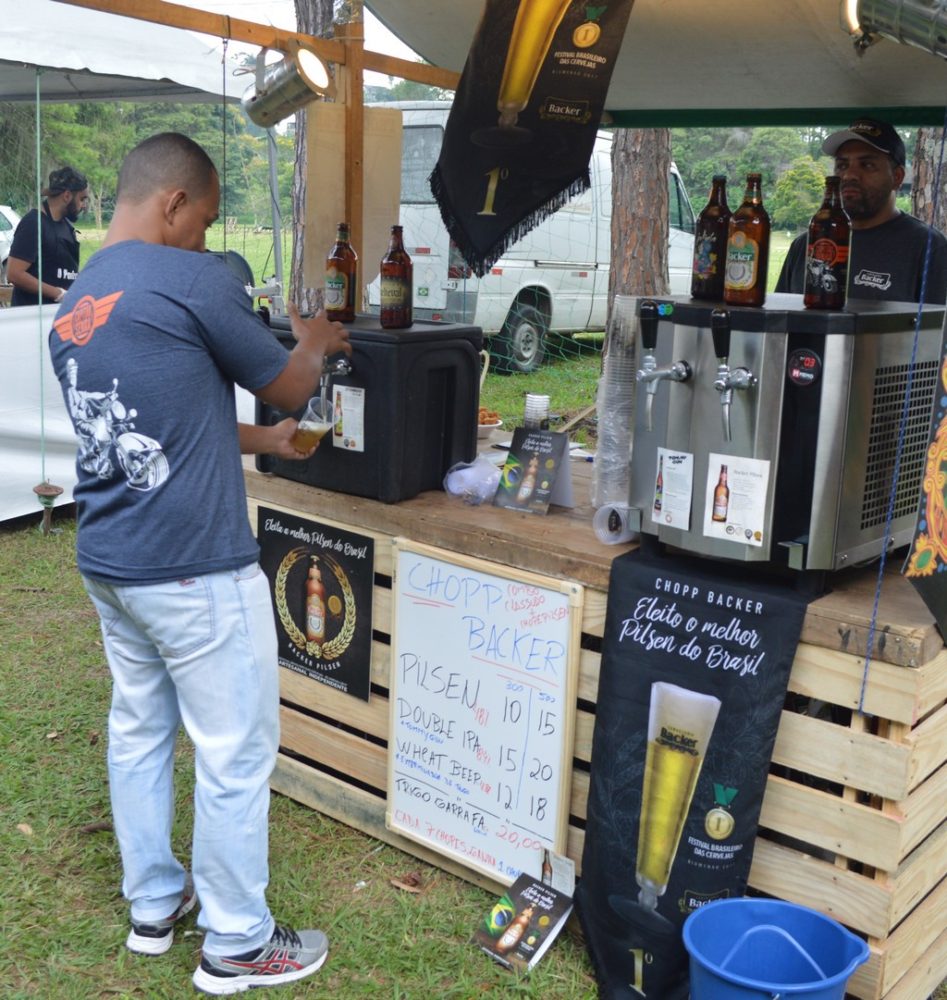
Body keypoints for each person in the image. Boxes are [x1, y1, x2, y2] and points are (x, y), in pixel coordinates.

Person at [48, 132, 351, 995]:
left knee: (139, 731)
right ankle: (239, 943)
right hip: (193, 566)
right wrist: (314, 340)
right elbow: (287, 384)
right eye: (207, 219)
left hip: (111, 560)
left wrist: (266, 444)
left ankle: (153, 904)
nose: (206, 236)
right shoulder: (191, 277)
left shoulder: (80, 297)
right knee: (234, 751)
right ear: (174, 202)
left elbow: (157, 415)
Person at [775, 117, 947, 303]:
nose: (849, 175)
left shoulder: (928, 247)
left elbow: (936, 321)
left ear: (897, 177)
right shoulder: (806, 245)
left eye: (867, 165)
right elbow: (779, 317)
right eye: (842, 165)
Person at [8, 165, 89, 306]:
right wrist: (59, 294)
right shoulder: (33, 223)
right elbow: (14, 273)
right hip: (34, 313)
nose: (84, 206)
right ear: (67, 196)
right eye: (82, 199)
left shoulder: (67, 226)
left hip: (58, 313)